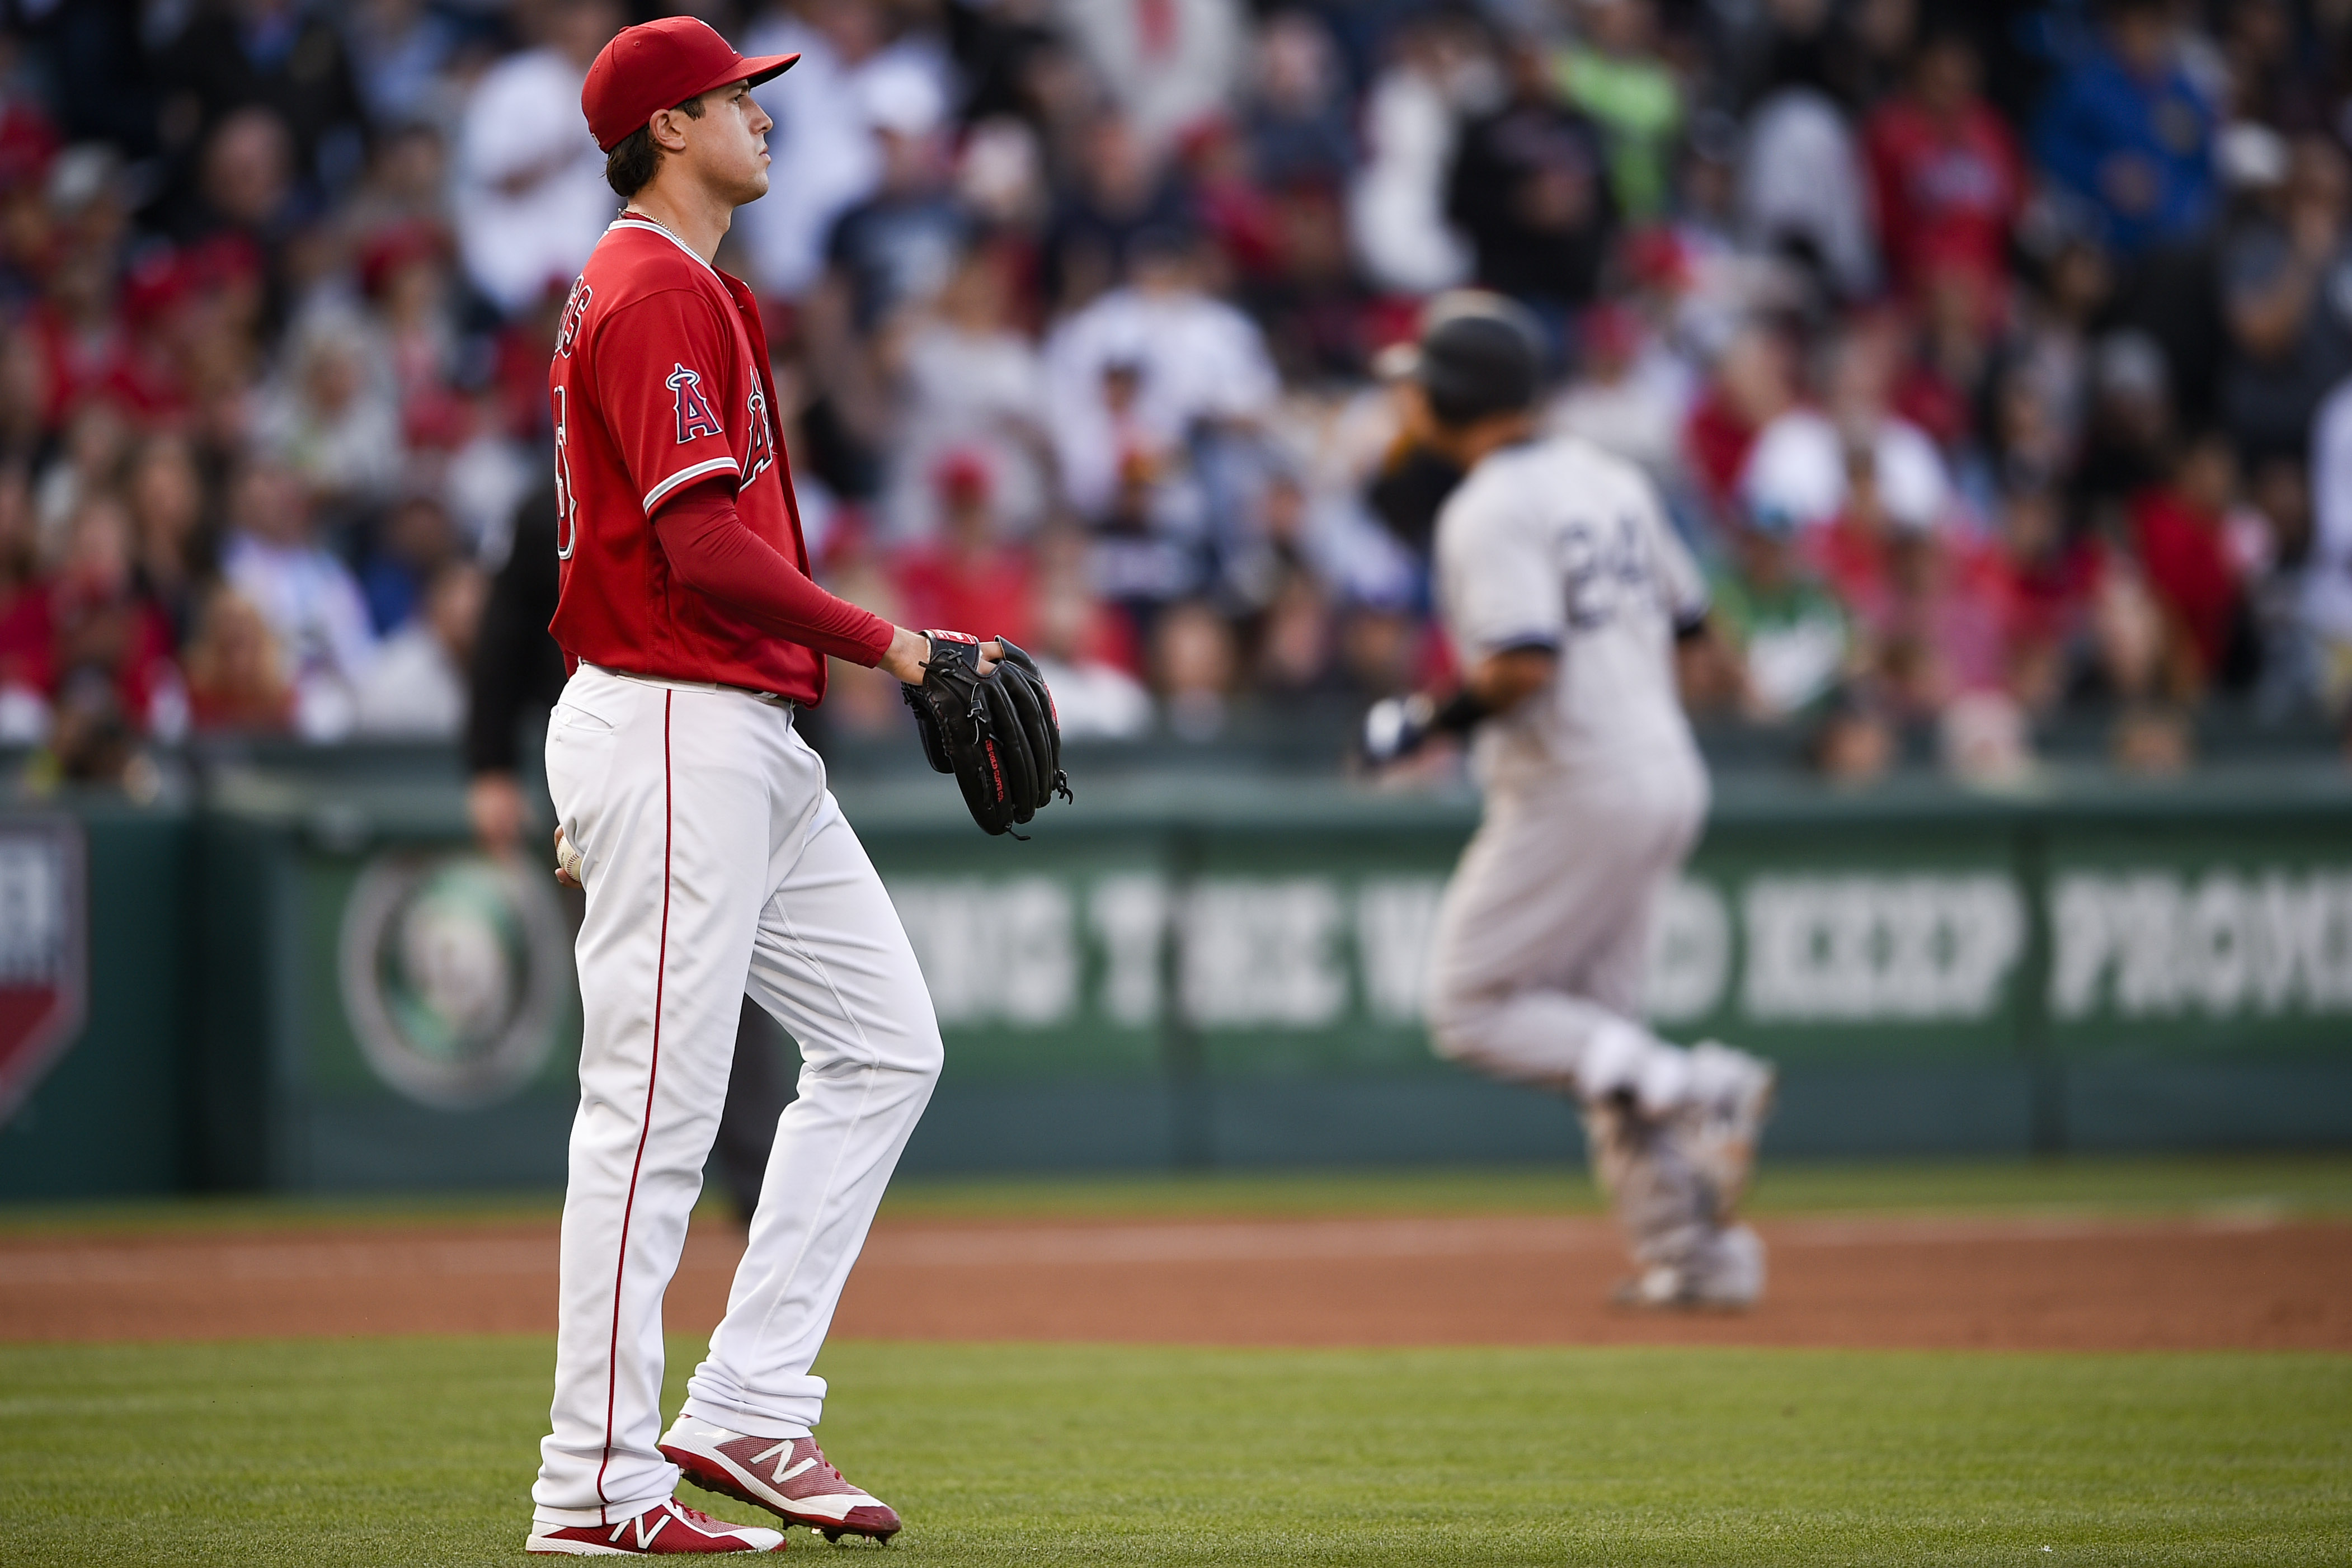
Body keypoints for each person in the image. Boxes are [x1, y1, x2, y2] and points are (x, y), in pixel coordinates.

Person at [525, 18, 1008, 1555]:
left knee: (883, 1043)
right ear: (670, 125)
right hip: (678, 718)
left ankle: (745, 1399)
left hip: (714, 728)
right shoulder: (655, 283)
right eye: (737, 94)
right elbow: (700, 546)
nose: (761, 113)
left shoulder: (684, 283)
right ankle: (592, 1482)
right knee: (652, 1119)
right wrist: (897, 645)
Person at [1360, 300, 1775, 1308]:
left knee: (1470, 1006)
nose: (1405, 397)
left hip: (1580, 782)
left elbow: (1522, 664)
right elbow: (1694, 627)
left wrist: (1421, 722)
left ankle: (1697, 1085)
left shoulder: (1488, 504)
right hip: (1664, 767)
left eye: (1418, 380)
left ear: (1455, 395)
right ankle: (1696, 1255)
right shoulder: (1611, 476)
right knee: (1600, 1037)